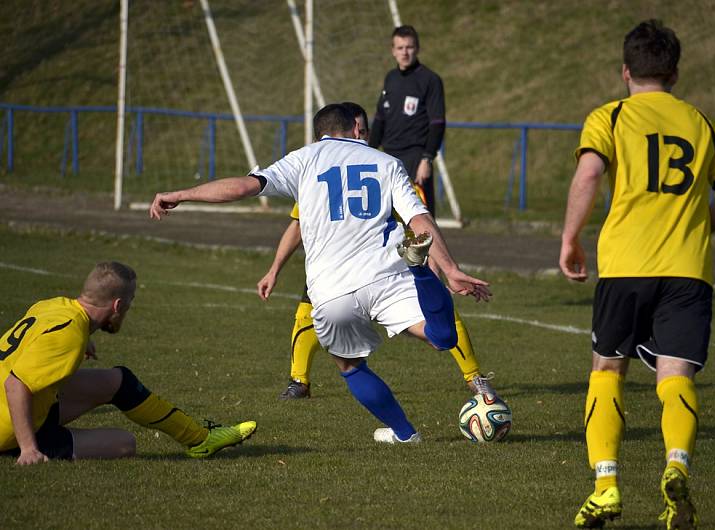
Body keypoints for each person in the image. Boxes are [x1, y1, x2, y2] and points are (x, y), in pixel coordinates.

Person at [150, 103, 491, 444]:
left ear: (320, 133)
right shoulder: (387, 163)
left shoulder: (303, 158)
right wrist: (449, 268)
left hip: (331, 291)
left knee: (350, 366)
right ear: (355, 129)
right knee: (440, 337)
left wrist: (182, 194)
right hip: (387, 274)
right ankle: (421, 274)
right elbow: (419, 218)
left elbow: (243, 187)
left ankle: (405, 434)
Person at [559, 20, 715, 529]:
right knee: (675, 377)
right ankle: (676, 466)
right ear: (675, 73)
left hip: (625, 265)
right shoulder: (704, 123)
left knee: (606, 370)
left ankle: (605, 486)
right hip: (688, 270)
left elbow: (591, 173)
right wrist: (693, 225)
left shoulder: (610, 116)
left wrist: (571, 239)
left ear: (626, 71)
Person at [261, 102, 495, 401]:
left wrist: (438, 269)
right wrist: (274, 269)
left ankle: (474, 377)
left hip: (388, 271)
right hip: (337, 269)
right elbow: (297, 226)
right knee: (308, 308)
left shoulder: (385, 169)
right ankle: (299, 380)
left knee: (441, 321)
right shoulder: (323, 173)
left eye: (364, 130)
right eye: (356, 129)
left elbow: (420, 224)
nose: (359, 134)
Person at [0, 261, 257, 465]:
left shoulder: (56, 306)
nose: (130, 307)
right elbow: (15, 384)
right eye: (131, 301)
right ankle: (23, 446)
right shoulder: (69, 334)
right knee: (124, 443)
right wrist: (28, 449)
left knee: (117, 380)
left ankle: (200, 438)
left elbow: (35, 342)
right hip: (10, 427)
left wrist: (83, 339)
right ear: (118, 305)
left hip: (21, 404)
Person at [369, 25, 445, 217]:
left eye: (409, 47)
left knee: (421, 219)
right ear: (393, 51)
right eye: (400, 47)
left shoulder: (430, 80)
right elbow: (380, 118)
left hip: (415, 158)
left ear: (417, 48)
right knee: (391, 218)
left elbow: (437, 123)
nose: (405, 52)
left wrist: (426, 159)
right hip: (388, 157)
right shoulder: (391, 78)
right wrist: (368, 151)